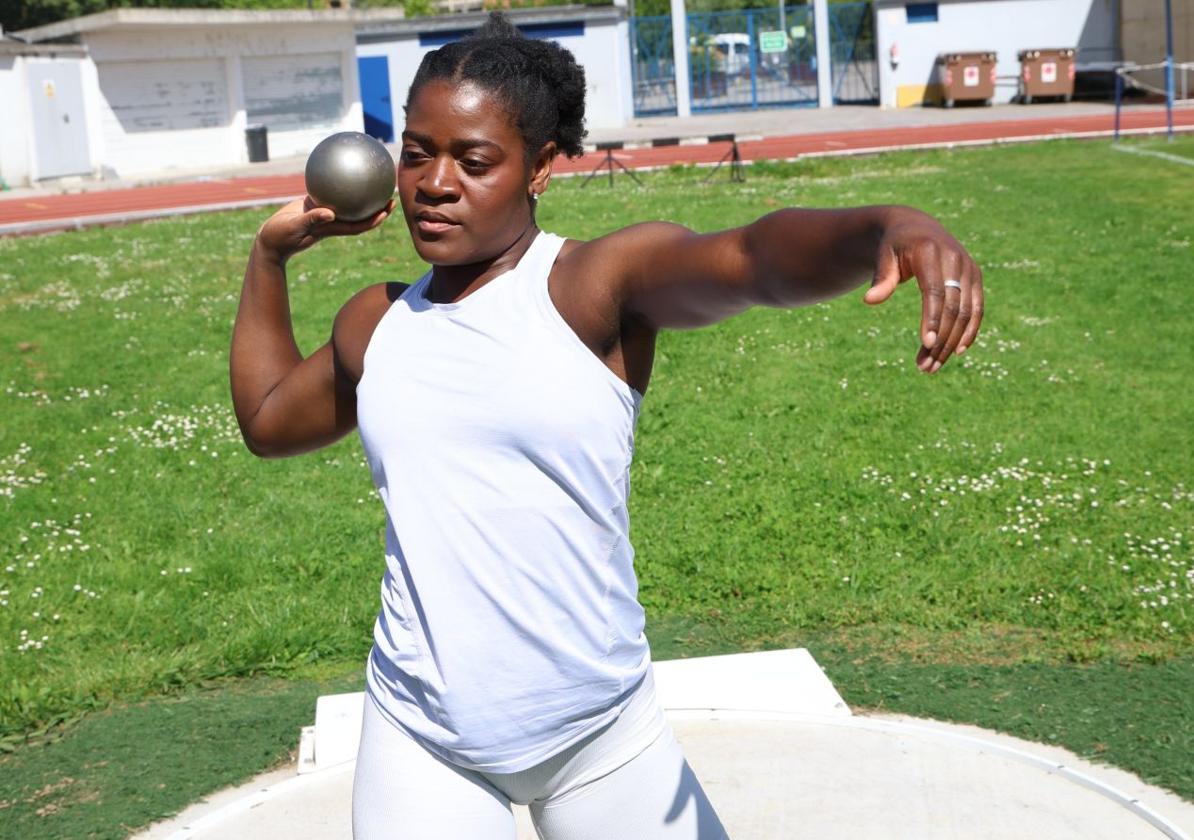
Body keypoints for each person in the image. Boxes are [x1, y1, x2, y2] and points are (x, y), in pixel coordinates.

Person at [229, 13, 982, 840]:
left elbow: (753, 258)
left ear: (541, 167)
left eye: (474, 161)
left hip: (597, 734)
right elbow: (269, 422)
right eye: (415, 152)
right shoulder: (375, 322)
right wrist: (269, 259)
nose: (433, 183)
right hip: (421, 731)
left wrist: (887, 227)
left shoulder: (591, 285)